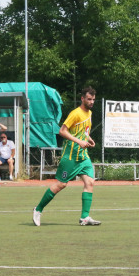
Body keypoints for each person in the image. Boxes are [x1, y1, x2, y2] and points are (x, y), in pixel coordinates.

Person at [32, 86, 100, 226]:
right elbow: (62, 131)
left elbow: (82, 131)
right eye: (89, 99)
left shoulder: (89, 113)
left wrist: (88, 138)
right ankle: (38, 209)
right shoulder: (75, 113)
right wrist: (79, 141)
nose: (92, 101)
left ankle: (85, 217)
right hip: (70, 157)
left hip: (83, 157)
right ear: (82, 99)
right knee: (61, 185)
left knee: (90, 182)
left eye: (93, 99)